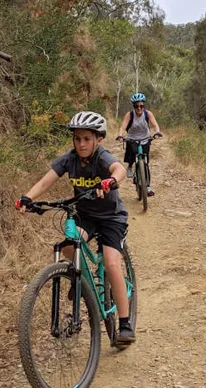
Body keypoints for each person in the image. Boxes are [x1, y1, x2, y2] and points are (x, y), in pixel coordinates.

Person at [18, 111, 135, 343]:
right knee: (69, 246)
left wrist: (110, 182)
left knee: (112, 263)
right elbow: (45, 181)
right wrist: (26, 198)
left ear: (98, 139)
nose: (81, 144)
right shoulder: (68, 160)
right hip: (86, 215)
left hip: (111, 217)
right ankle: (78, 278)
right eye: (78, 139)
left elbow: (118, 169)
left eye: (87, 139)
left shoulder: (102, 157)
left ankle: (125, 324)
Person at [116, 93, 162, 196]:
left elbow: (155, 124)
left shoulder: (148, 114)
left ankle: (148, 186)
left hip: (145, 138)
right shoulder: (130, 115)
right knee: (133, 152)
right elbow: (123, 127)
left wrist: (157, 132)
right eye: (136, 106)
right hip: (133, 138)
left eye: (141, 106)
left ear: (144, 106)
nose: (139, 108)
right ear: (134, 106)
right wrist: (120, 136)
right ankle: (130, 166)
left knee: (145, 162)